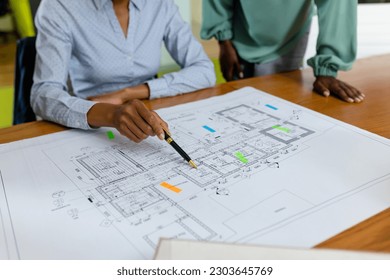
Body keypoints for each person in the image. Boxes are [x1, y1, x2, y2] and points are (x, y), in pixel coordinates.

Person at [31, 0, 216, 143]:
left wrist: (128, 94)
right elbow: (43, 94)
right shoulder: (60, 6)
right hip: (88, 118)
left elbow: (204, 70)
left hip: (148, 111)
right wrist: (111, 114)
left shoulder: (160, 4)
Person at [201, 0, 365, 103]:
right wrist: (224, 41)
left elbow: (337, 4)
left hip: (289, 35)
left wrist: (327, 70)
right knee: (239, 106)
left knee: (278, 107)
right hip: (240, 31)